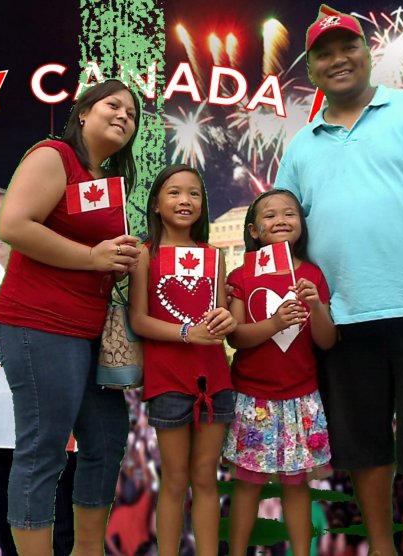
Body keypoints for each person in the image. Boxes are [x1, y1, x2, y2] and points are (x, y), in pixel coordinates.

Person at [274, 5, 403, 555]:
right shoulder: (299, 148)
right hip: (342, 320)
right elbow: (283, 238)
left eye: (348, 47)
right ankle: (382, 546)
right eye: (323, 54)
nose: (337, 59)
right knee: (364, 448)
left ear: (368, 52)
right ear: (311, 68)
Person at [0, 78, 142, 556]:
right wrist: (93, 258)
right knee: (43, 449)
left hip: (90, 331)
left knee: (107, 439)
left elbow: (95, 251)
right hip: (40, 325)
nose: (124, 116)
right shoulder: (54, 155)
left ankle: (87, 550)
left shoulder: (104, 182)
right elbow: (12, 224)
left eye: (133, 113)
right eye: (112, 105)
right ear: (82, 112)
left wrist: (121, 258)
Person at [0, 186, 76, 555]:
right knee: (2, 508)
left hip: (48, 414)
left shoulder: (53, 276)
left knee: (60, 505)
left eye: (1, 220)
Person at [128, 164, 236, 555]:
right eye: (174, 192)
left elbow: (221, 315)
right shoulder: (145, 254)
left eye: (194, 193)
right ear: (156, 204)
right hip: (168, 380)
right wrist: (188, 333)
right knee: (174, 479)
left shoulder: (214, 256)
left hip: (214, 378)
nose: (185, 200)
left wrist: (225, 320)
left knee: (206, 476)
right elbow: (139, 320)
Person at [222, 189, 336, 556]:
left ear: (301, 225)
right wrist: (274, 324)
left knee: (296, 484)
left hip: (302, 398)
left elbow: (327, 340)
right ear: (254, 230)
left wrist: (315, 305)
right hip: (253, 398)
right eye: (270, 216)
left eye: (290, 213)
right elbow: (237, 337)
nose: (281, 220)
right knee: (248, 485)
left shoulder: (312, 275)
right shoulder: (242, 275)